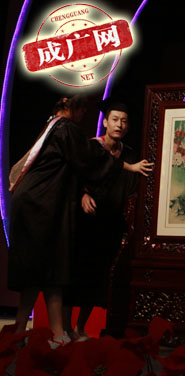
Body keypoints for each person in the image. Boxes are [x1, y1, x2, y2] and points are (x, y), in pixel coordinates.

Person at [7, 96, 153, 347]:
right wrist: (128, 168)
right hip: (42, 205)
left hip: (34, 202)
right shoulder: (66, 128)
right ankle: (58, 334)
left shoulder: (52, 125)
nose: (84, 116)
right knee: (53, 270)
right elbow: (90, 158)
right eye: (83, 110)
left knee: (34, 272)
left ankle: (21, 330)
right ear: (72, 108)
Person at [63, 102, 139, 341]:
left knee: (97, 277)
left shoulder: (129, 155)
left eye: (124, 121)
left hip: (110, 224)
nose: (119, 124)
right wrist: (83, 194)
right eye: (115, 119)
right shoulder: (92, 147)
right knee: (74, 274)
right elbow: (72, 177)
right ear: (105, 122)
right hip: (85, 221)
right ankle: (65, 328)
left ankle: (80, 327)